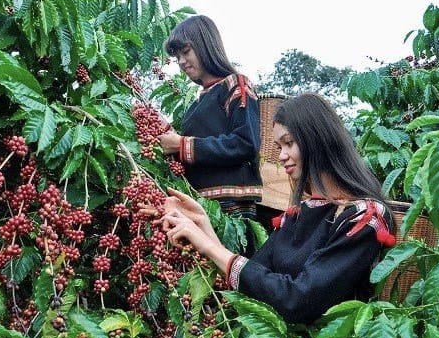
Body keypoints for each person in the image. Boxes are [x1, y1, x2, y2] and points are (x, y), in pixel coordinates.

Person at [158, 93, 397, 324]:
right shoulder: (300, 213)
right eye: (278, 145)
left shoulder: (363, 218)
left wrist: (208, 245)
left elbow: (297, 300)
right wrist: (204, 226)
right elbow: (258, 280)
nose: (282, 156)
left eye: (289, 143)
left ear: (318, 139)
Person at [159, 15, 262, 255]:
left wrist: (181, 145)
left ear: (205, 45)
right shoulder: (198, 102)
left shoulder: (236, 85)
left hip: (231, 209)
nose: (182, 61)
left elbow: (246, 143)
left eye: (186, 52)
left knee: (229, 278)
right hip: (199, 206)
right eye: (177, 58)